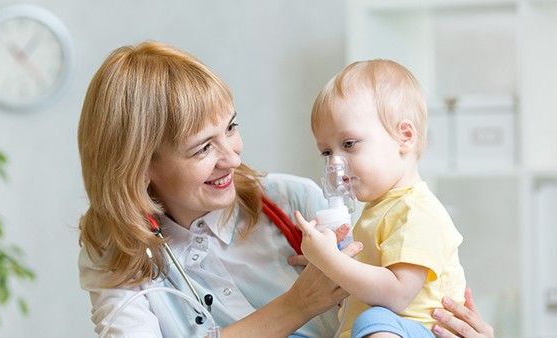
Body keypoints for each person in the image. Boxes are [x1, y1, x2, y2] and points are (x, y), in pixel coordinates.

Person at [76, 40, 494, 337]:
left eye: (231, 129)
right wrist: (299, 303)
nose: (234, 158)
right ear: (141, 166)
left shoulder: (295, 202)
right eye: (203, 148)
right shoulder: (121, 256)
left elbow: (401, 301)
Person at [295, 59, 467, 338]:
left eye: (349, 144)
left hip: (418, 330)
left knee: (373, 319)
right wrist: (324, 260)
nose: (336, 164)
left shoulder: (416, 211)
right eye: (327, 152)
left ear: (404, 137)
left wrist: (330, 261)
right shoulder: (380, 209)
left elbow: (397, 295)